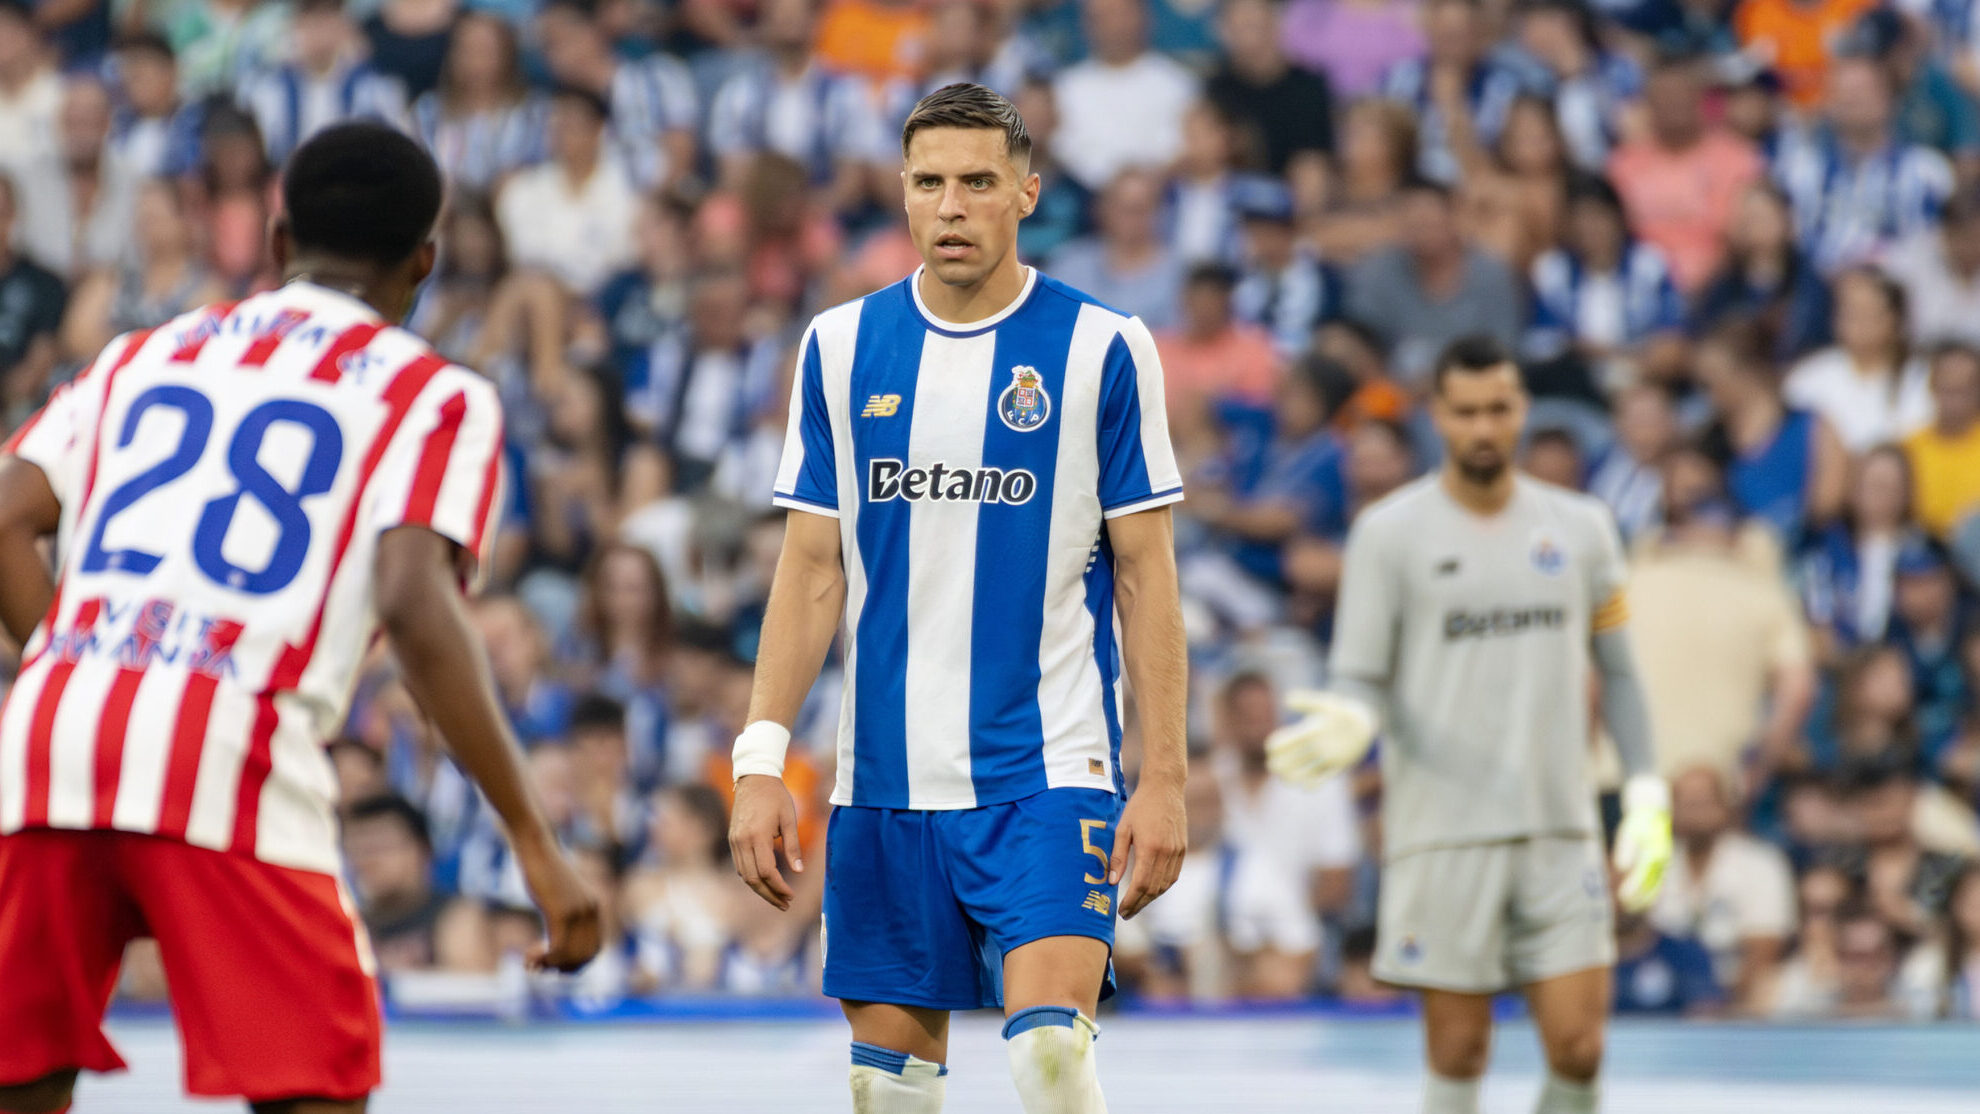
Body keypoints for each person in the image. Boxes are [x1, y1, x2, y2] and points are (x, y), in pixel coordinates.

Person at [0, 122, 600, 1114]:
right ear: (424, 262)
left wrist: (74, 649)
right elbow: (415, 600)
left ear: (279, 243)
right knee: (315, 1088)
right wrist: (534, 838)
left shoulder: (148, 351)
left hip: (51, 733)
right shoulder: (434, 395)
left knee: (20, 1079)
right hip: (228, 741)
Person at [727, 83, 1187, 1113]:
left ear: (1025, 192)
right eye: (929, 183)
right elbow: (809, 570)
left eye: (978, 182)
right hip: (883, 780)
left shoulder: (1103, 348)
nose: (951, 206)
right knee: (887, 1091)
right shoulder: (838, 348)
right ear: (901, 194)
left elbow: (1149, 577)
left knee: (1052, 1056)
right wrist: (759, 760)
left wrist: (1164, 779)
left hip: (1047, 771)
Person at [1266, 335, 1672, 1114]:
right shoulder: (1389, 533)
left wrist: (1647, 787)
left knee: (1581, 1050)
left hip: (1560, 827)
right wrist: (1354, 717)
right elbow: (1358, 673)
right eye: (1467, 412)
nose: (1485, 428)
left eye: (1500, 409)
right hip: (1442, 830)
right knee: (1460, 1052)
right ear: (1438, 417)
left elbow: (1617, 670)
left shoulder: (1583, 528)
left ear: (1521, 410)